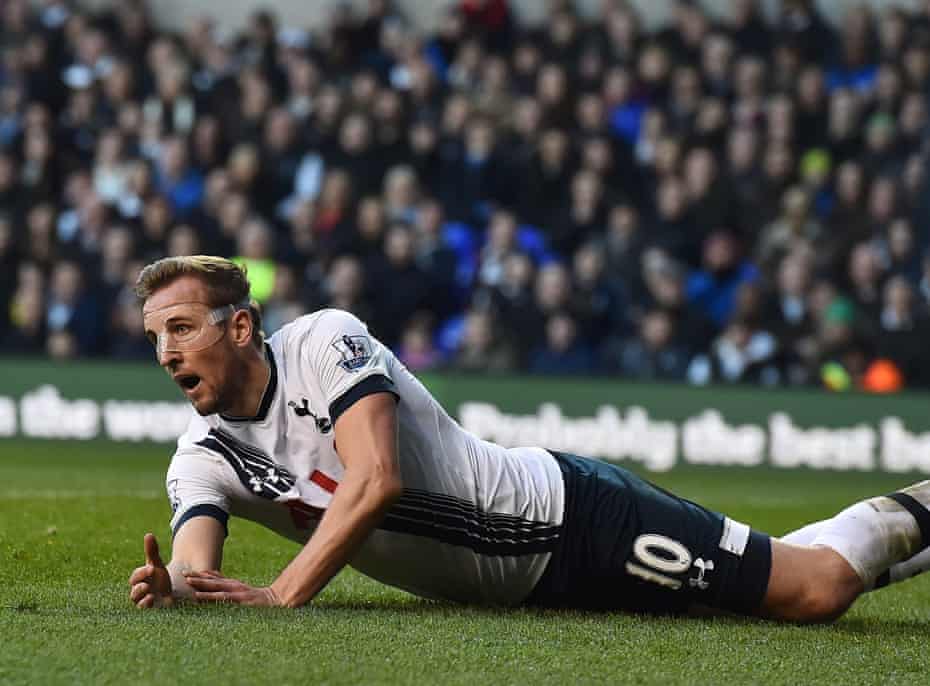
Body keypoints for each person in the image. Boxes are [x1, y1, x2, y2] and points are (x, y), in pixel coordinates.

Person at [129, 255, 930, 621]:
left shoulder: (323, 343)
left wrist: (282, 593)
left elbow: (378, 480)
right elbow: (199, 561)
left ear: (239, 326)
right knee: (772, 578)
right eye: (155, 337)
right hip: (529, 594)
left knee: (813, 592)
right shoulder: (201, 459)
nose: (166, 352)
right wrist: (179, 591)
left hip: (572, 517)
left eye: (182, 328)